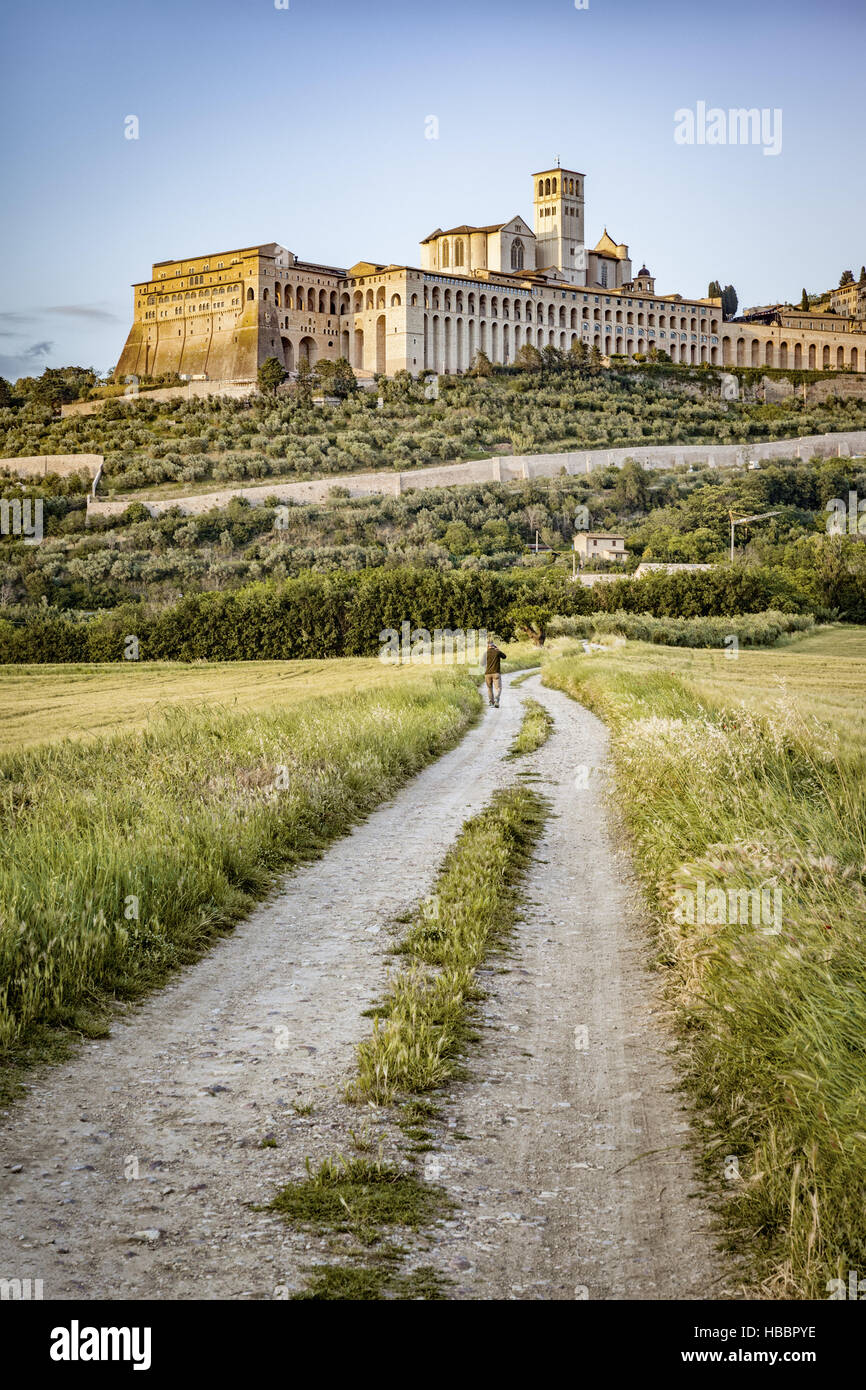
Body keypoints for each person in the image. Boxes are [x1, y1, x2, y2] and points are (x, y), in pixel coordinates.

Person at [484, 637, 506, 707]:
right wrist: (498, 650)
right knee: (498, 688)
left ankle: (491, 702)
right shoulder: (497, 652)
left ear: (488, 646)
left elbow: (481, 663)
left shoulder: (485, 653)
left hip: (487, 674)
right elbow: (504, 656)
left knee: (489, 688)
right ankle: (496, 700)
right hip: (496, 673)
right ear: (494, 646)